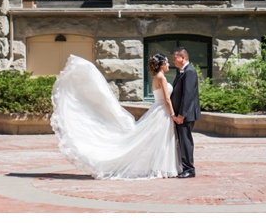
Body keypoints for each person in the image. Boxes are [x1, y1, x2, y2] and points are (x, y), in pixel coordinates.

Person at [50, 54, 181, 180]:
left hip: (157, 110)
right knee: (162, 140)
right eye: (167, 62)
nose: (169, 64)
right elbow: (167, 99)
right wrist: (173, 114)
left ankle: (161, 167)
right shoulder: (162, 78)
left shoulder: (155, 78)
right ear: (162, 64)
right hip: (162, 111)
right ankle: (163, 168)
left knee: (158, 140)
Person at [170, 47, 201, 178]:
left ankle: (189, 169)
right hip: (181, 114)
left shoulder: (189, 72)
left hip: (185, 115)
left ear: (182, 58)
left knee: (186, 140)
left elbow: (188, 95)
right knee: (182, 141)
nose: (173, 61)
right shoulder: (182, 71)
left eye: (175, 57)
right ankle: (184, 167)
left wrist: (182, 114)